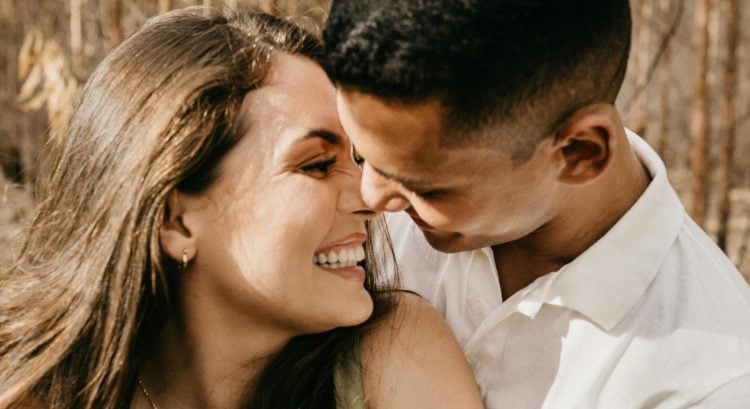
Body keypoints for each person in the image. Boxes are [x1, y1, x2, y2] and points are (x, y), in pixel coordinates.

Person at [0, 7, 484, 409]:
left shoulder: (392, 356)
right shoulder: (34, 392)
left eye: (356, 158)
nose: (371, 199)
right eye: (317, 165)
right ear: (175, 221)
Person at [323, 0, 750, 407]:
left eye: (426, 188)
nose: (370, 198)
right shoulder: (353, 225)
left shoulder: (706, 386)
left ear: (579, 152)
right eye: (359, 154)